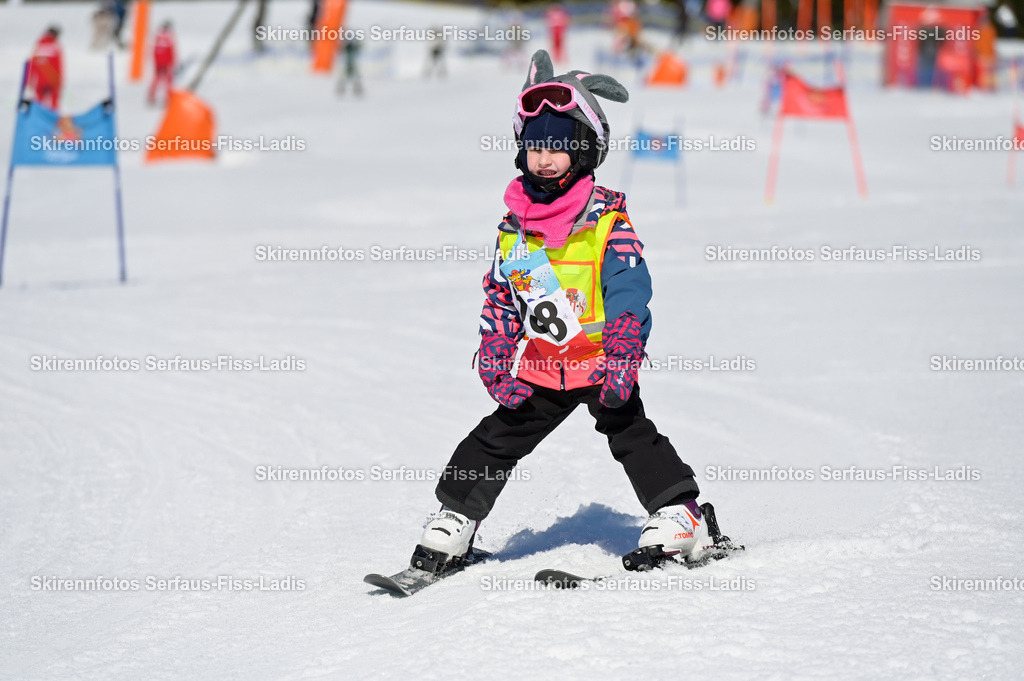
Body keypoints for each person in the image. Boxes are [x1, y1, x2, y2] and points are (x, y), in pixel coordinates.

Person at [408, 50, 708, 577]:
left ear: (587, 150)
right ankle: (454, 519)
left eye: (559, 147)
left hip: (602, 362)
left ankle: (681, 517)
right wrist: (496, 351)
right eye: (535, 146)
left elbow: (629, 286)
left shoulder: (605, 220)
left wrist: (623, 349)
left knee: (630, 433)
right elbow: (502, 294)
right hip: (545, 364)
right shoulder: (516, 226)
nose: (545, 159)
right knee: (496, 437)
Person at [27, 26, 63, 110]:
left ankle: (39, 119)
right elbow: (60, 65)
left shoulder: (39, 45)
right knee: (53, 104)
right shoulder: (56, 46)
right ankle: (53, 120)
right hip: (53, 80)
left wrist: (30, 79)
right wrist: (60, 81)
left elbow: (33, 64)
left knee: (39, 103)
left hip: (40, 80)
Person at [148, 21, 176, 106]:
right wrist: (172, 62)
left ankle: (152, 96)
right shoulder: (169, 37)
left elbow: (154, 51)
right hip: (166, 63)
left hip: (158, 63)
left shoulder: (157, 37)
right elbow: (172, 51)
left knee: (157, 80)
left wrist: (156, 62)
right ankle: (168, 98)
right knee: (167, 81)